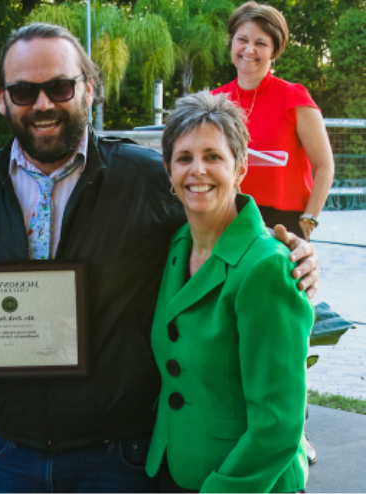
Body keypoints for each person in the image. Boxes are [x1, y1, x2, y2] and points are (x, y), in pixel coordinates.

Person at [0, 23, 319, 493]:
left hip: (118, 458)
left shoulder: (148, 178)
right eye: (22, 90)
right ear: (2, 98)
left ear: (88, 89)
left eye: (59, 86)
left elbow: (219, 220)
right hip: (2, 452)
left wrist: (289, 250)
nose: (42, 104)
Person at [145, 91, 313, 493]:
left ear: (239, 169)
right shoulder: (176, 246)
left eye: (213, 157)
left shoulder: (268, 267)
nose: (197, 170)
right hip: (175, 467)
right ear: (169, 171)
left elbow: (279, 423)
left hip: (244, 481)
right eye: (184, 158)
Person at [212, 1, 334, 242]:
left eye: (260, 43)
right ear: (232, 43)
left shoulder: (294, 98)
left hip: (283, 225)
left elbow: (324, 167)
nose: (249, 50)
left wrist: (308, 220)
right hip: (227, 219)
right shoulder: (214, 100)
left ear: (274, 51)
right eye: (242, 40)